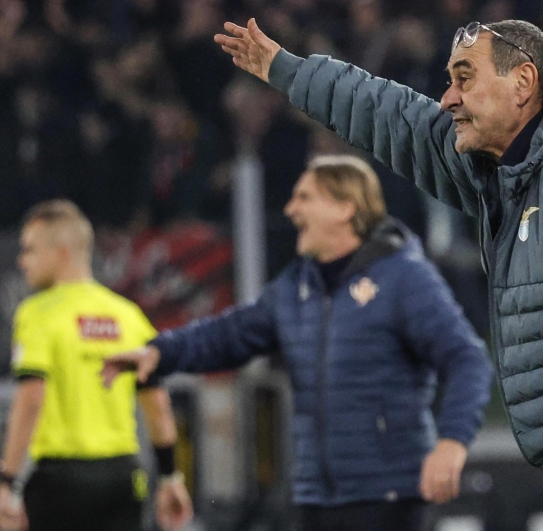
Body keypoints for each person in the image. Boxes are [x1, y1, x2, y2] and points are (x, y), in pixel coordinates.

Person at [207, 17, 543, 531]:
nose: (448, 98)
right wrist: (290, 71)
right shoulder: (510, 174)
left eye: (464, 79)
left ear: (522, 84)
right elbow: (393, 116)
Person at [103, 155, 493, 531]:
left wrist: (452, 442)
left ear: (344, 207)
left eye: (304, 197)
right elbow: (229, 334)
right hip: (316, 496)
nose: (291, 210)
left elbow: (467, 360)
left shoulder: (404, 279)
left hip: (389, 496)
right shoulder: (298, 285)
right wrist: (160, 351)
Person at [0, 199, 193, 531]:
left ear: (61, 253)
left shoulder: (38, 313)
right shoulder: (127, 315)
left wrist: (9, 481)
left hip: (60, 481)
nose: (22, 260)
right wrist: (169, 477)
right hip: (123, 477)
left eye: (30, 250)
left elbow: (31, 399)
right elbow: (157, 404)